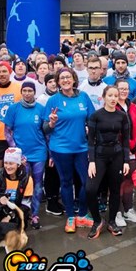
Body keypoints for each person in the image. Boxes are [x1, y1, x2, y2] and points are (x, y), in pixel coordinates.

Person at [43, 68, 95, 233]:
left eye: (68, 77)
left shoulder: (83, 97)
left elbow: (92, 119)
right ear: (58, 82)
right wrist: (51, 123)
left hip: (81, 147)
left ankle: (83, 214)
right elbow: (45, 128)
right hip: (60, 148)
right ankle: (71, 216)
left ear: (74, 79)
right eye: (62, 78)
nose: (65, 80)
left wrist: (89, 128)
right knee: (66, 182)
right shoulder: (53, 100)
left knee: (87, 182)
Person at [86, 86, 131, 238]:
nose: (113, 99)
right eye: (110, 95)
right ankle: (97, 220)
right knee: (90, 189)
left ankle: (112, 221)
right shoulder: (96, 116)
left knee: (115, 190)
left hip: (117, 156)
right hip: (99, 156)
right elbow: (90, 140)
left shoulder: (122, 116)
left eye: (116, 96)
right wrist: (91, 161)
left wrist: (126, 160)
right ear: (104, 97)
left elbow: (126, 139)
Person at [4, 78, 47, 229]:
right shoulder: (13, 109)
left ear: (34, 92)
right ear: (21, 92)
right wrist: (17, 152)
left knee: (38, 183)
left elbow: (46, 131)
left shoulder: (41, 109)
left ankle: (34, 214)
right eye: (25, 91)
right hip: (21, 154)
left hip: (39, 151)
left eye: (30, 91)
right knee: (23, 183)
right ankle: (22, 212)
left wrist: (50, 153)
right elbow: (7, 132)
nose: (27, 93)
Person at [114, 78, 136, 227]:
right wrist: (129, 144)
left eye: (126, 88)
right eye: (121, 88)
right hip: (118, 152)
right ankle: (117, 211)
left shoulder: (133, 106)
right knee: (118, 182)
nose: (124, 91)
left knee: (130, 181)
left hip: (133, 151)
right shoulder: (112, 107)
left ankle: (128, 209)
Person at [0, 147, 34, 227]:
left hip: (14, 211)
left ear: (18, 164)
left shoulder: (27, 179)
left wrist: (9, 216)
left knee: (20, 221)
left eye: (11, 163)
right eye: (6, 163)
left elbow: (26, 205)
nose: (8, 167)